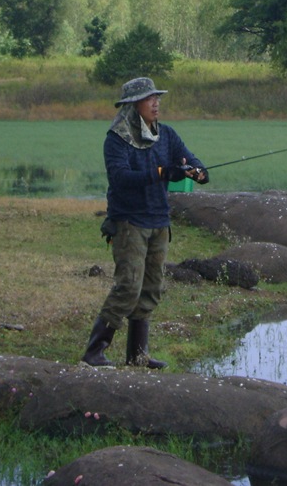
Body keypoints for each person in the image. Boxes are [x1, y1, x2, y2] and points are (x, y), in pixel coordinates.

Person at [81, 77, 209, 368]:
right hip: (129, 222)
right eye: (149, 98)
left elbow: (189, 160)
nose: (156, 103)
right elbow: (121, 178)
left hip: (159, 221)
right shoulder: (116, 139)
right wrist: (162, 171)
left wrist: (196, 172)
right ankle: (93, 352)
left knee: (151, 288)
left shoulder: (167, 135)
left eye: (157, 98)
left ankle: (137, 356)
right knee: (128, 286)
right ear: (132, 105)